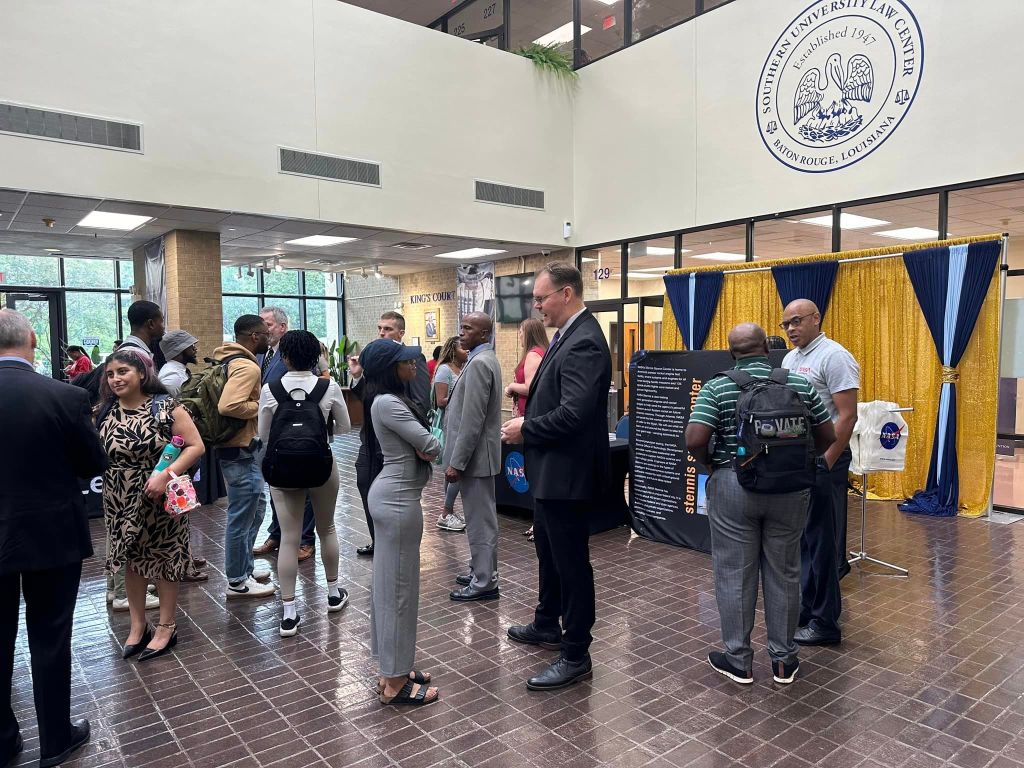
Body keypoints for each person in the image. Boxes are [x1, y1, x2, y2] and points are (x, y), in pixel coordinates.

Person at [685, 323, 835, 685]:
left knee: (735, 572)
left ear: (731, 353)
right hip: (791, 490)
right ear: (768, 351)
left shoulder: (718, 386)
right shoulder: (797, 384)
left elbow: (694, 438)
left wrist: (711, 464)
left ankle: (738, 660)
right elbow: (828, 435)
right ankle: (784, 660)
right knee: (785, 572)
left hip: (734, 486)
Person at [0, 310, 107, 768]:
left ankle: (3, 741)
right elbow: (92, 465)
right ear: (33, 339)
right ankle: (55, 740)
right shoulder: (63, 396)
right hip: (52, 533)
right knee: (50, 636)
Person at [500, 262, 612, 692]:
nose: (537, 306)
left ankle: (576, 652)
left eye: (541, 298)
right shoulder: (567, 335)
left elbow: (575, 413)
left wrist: (526, 428)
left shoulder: (583, 341)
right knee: (547, 551)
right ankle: (548, 622)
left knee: (571, 563)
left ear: (567, 294)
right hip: (551, 472)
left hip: (568, 475)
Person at [98, 348, 205, 662]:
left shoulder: (166, 407)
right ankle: (137, 624)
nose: (116, 378)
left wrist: (166, 474)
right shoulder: (104, 410)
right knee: (131, 558)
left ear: (142, 374)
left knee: (164, 559)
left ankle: (167, 626)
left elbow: (195, 445)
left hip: (160, 495)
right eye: (110, 374)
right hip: (119, 498)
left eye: (123, 372)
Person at [360, 339, 441, 706]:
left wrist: (423, 445)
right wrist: (429, 443)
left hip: (395, 498)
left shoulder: (386, 401)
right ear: (390, 368)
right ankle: (394, 683)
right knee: (398, 590)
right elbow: (431, 445)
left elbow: (422, 445)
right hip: (396, 502)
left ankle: (394, 667)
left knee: (391, 585)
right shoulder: (389, 403)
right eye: (407, 362)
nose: (414, 366)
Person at [258, 330, 352, 637]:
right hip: (322, 464)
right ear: (316, 357)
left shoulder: (271, 388)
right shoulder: (329, 385)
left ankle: (289, 614)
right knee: (326, 529)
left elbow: (264, 434)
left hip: (283, 469)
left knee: (289, 537)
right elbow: (346, 425)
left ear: (284, 357)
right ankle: (334, 594)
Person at [781, 299, 860, 646]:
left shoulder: (834, 356)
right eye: (786, 325)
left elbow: (847, 416)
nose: (791, 329)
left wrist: (826, 461)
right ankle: (808, 609)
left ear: (816, 318)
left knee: (822, 544)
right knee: (803, 541)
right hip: (801, 462)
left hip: (825, 461)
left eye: (796, 322)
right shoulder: (790, 359)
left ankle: (825, 623)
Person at [347, 311, 430, 556]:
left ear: (400, 333)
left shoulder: (412, 362)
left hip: (397, 444)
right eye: (380, 328)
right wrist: (358, 376)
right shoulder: (377, 361)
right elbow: (369, 398)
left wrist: (413, 434)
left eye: (388, 329)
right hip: (371, 440)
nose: (382, 333)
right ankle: (378, 540)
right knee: (365, 484)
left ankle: (391, 543)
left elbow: (420, 401)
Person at [213, 315, 276, 599]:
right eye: (265, 333)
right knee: (241, 516)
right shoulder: (247, 366)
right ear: (253, 336)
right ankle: (237, 580)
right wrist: (261, 405)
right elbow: (230, 405)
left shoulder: (228, 360)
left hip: (238, 448)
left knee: (255, 508)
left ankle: (245, 569)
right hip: (239, 450)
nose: (268, 338)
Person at [445, 313, 503, 602]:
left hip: (476, 459)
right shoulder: (480, 358)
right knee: (480, 519)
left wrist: (457, 461)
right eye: (462, 327)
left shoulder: (480, 363)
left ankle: (484, 582)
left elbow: (472, 420)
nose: (461, 333)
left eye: (468, 329)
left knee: (480, 522)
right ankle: (481, 569)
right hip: (479, 457)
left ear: (484, 334)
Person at [252, 307, 317, 562]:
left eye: (268, 324)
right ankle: (276, 534)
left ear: (282, 327)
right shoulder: (261, 356)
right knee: (275, 486)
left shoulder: (297, 355)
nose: (263, 329)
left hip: (296, 433)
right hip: (272, 436)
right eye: (261, 324)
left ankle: (305, 539)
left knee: (306, 490)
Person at [505, 318, 549, 541]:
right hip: (531, 416)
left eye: (521, 331)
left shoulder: (533, 354)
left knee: (534, 472)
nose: (519, 336)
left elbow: (532, 387)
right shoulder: (542, 352)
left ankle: (538, 523)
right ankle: (538, 522)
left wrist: (512, 386)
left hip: (530, 418)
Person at [432, 336, 468, 532]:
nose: (466, 350)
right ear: (453, 351)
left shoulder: (462, 369)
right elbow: (440, 401)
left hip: (460, 422)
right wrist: (462, 399)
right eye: (462, 347)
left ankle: (450, 511)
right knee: (456, 469)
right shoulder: (444, 370)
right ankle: (445, 514)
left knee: (452, 471)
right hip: (449, 424)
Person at [157, 330, 198, 397]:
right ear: (179, 349)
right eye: (191, 345)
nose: (195, 349)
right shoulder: (172, 378)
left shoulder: (178, 370)